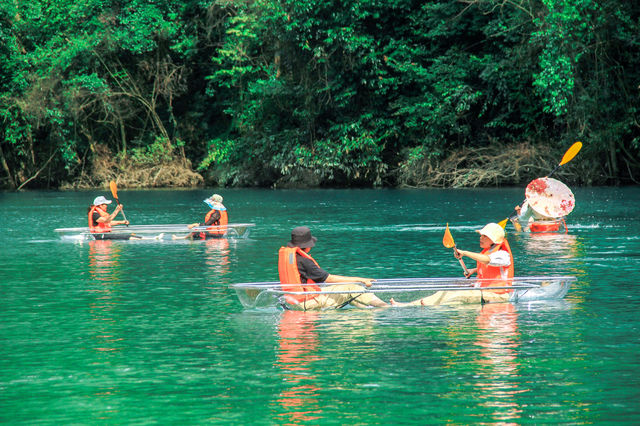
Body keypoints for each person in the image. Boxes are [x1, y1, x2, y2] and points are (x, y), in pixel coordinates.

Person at [391, 223, 514, 306]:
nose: (480, 238)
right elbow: (489, 266)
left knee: (455, 296)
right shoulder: (489, 252)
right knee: (444, 292)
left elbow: (487, 260)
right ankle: (411, 305)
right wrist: (474, 270)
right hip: (484, 292)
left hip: (498, 296)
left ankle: (413, 306)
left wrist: (465, 253)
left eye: (485, 236)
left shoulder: (503, 254)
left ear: (494, 240)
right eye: (481, 235)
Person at [278, 226, 388, 310]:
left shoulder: (291, 257)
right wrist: (361, 279)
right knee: (352, 288)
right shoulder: (304, 261)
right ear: (307, 245)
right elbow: (328, 279)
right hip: (307, 303)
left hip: (293, 301)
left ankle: (370, 309)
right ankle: (385, 307)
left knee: (349, 293)